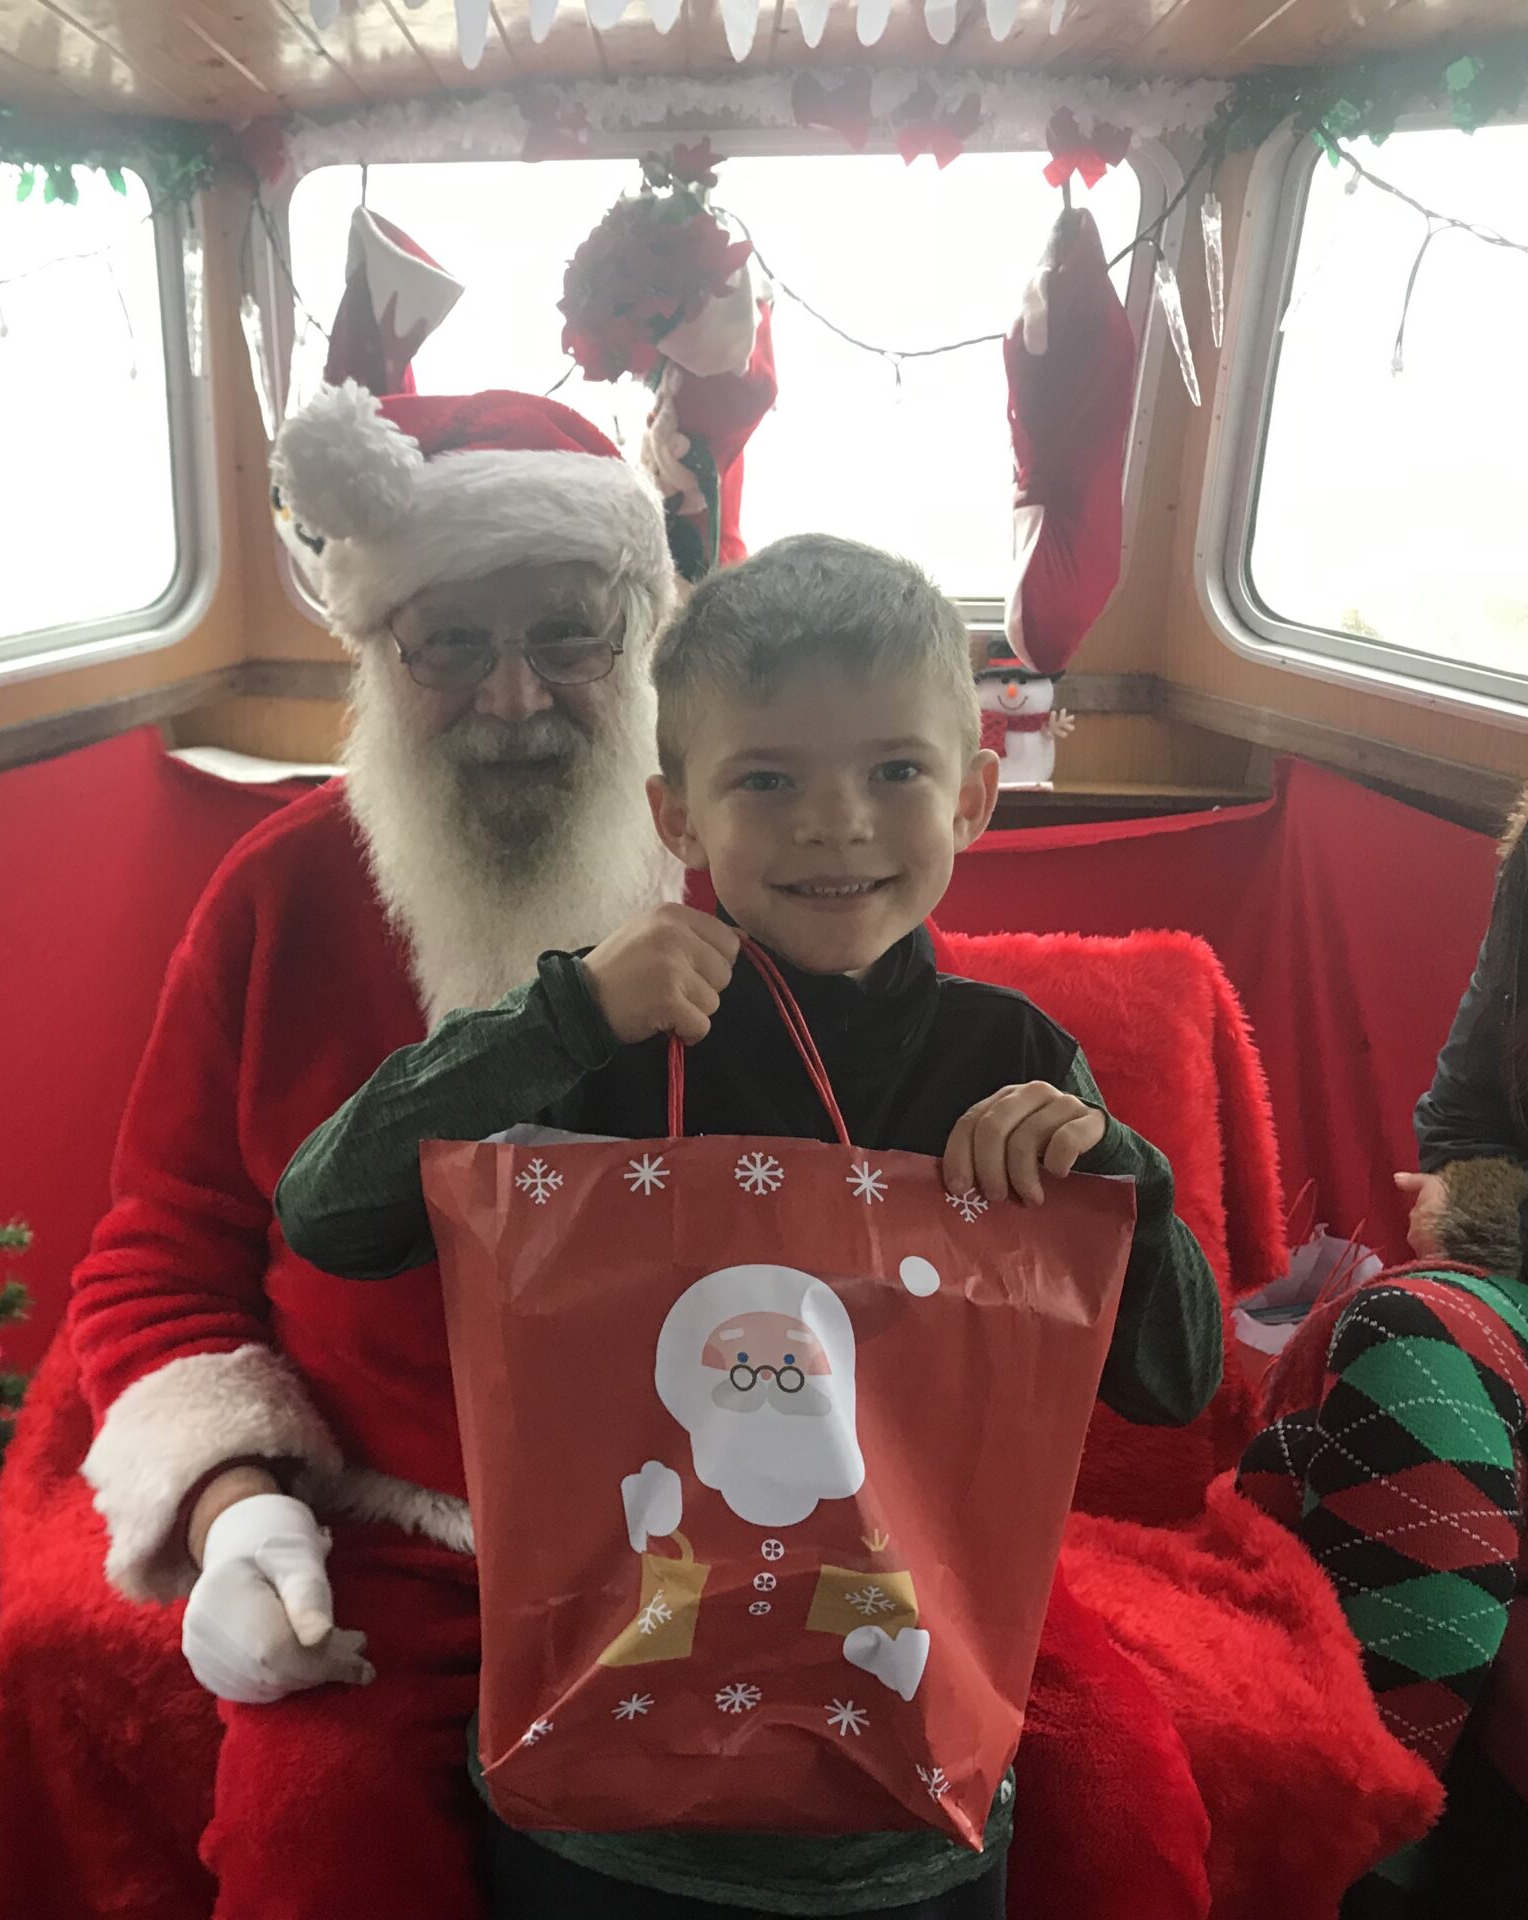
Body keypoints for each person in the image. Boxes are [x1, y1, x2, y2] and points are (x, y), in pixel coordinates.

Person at [274, 535, 1223, 1918]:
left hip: (904, 1803)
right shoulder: (609, 1032)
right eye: (765, 779)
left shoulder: (1008, 1062)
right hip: (601, 1792)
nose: (833, 822)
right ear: (677, 819)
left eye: (894, 771)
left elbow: (1175, 1380)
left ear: (973, 796)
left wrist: (1114, 1176)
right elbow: (328, 1214)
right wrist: (561, 1016)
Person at [64, 381, 684, 1918]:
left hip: (714, 1523)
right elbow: (165, 1247)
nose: (517, 698)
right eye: (452, 645)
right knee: (313, 1848)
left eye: (568, 635)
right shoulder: (274, 902)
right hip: (391, 1533)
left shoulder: (762, 873)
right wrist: (237, 1511)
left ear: (646, 635)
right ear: (376, 655)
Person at [1237, 633, 1528, 1915]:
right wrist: (1523, 1219)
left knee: (1327, 1455)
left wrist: (1520, 1215)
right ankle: (1349, 1859)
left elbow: (1484, 1195)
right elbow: (1459, 1141)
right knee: (1395, 1334)